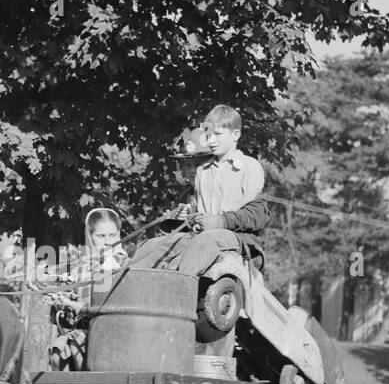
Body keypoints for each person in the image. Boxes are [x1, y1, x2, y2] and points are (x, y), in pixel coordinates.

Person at [129, 104, 268, 276]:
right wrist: (183, 217)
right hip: (200, 235)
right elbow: (197, 212)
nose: (211, 141)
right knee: (155, 245)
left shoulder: (249, 166)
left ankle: (179, 287)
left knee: (205, 241)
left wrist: (221, 221)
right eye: (208, 136)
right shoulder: (203, 170)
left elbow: (258, 214)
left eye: (217, 135)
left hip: (236, 237)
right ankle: (129, 284)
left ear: (235, 135)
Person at [84, 208, 128, 280]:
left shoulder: (128, 265)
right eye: (101, 236)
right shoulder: (79, 268)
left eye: (112, 235)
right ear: (90, 236)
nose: (108, 242)